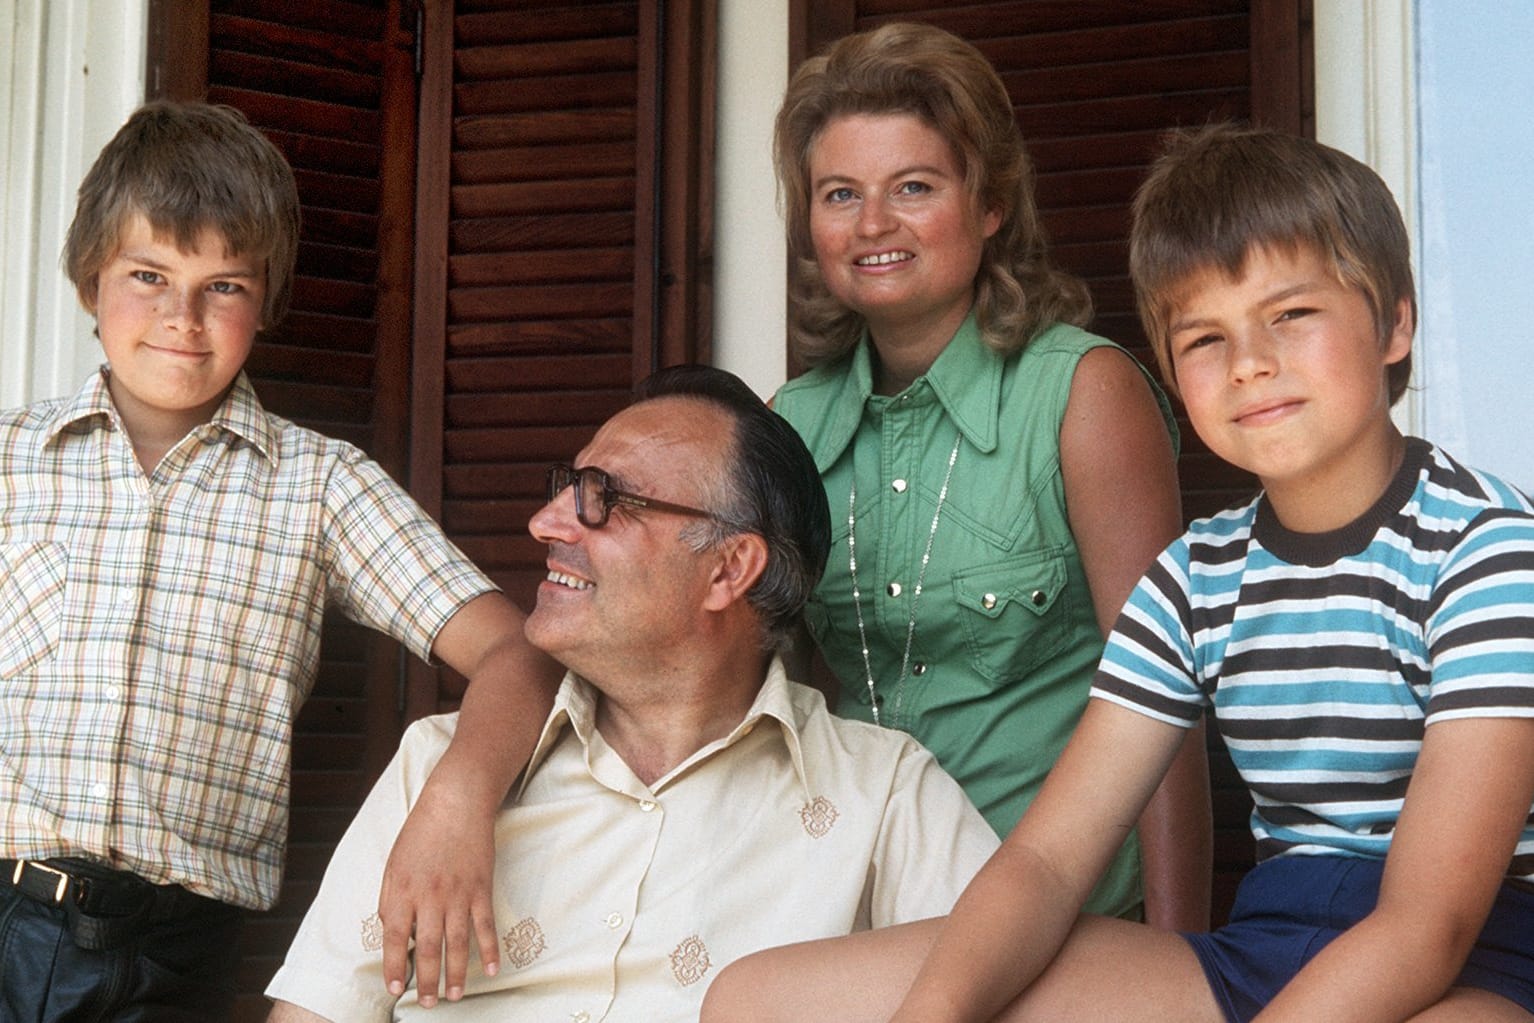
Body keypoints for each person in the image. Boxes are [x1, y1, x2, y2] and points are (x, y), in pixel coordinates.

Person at [701, 123, 1534, 1022]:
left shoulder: (1485, 552)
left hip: (1482, 957)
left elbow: (1427, 924)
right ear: (1172, 373)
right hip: (1267, 950)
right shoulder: (1194, 578)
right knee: (760, 999)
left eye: (1291, 314)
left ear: (1395, 322)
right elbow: (1049, 861)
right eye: (1205, 337)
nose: (1251, 362)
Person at [0, 101, 560, 1019]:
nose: (182, 317)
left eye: (224, 285)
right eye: (149, 274)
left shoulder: (320, 485)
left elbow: (521, 652)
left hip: (172, 961)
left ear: (267, 301)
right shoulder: (8, 458)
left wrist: (457, 800)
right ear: (87, 277)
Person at [263, 365, 999, 1022]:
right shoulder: (440, 769)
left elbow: (1026, 980)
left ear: (727, 568)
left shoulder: (885, 794)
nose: (546, 522)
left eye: (603, 497)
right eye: (566, 487)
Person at [767, 20, 1208, 926]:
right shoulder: (788, 428)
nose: (873, 224)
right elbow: (788, 703)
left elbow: (1167, 710)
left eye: (914, 187)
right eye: (839, 193)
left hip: (1068, 925)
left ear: (991, 201)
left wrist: (1179, 961)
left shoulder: (1085, 393)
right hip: (858, 913)